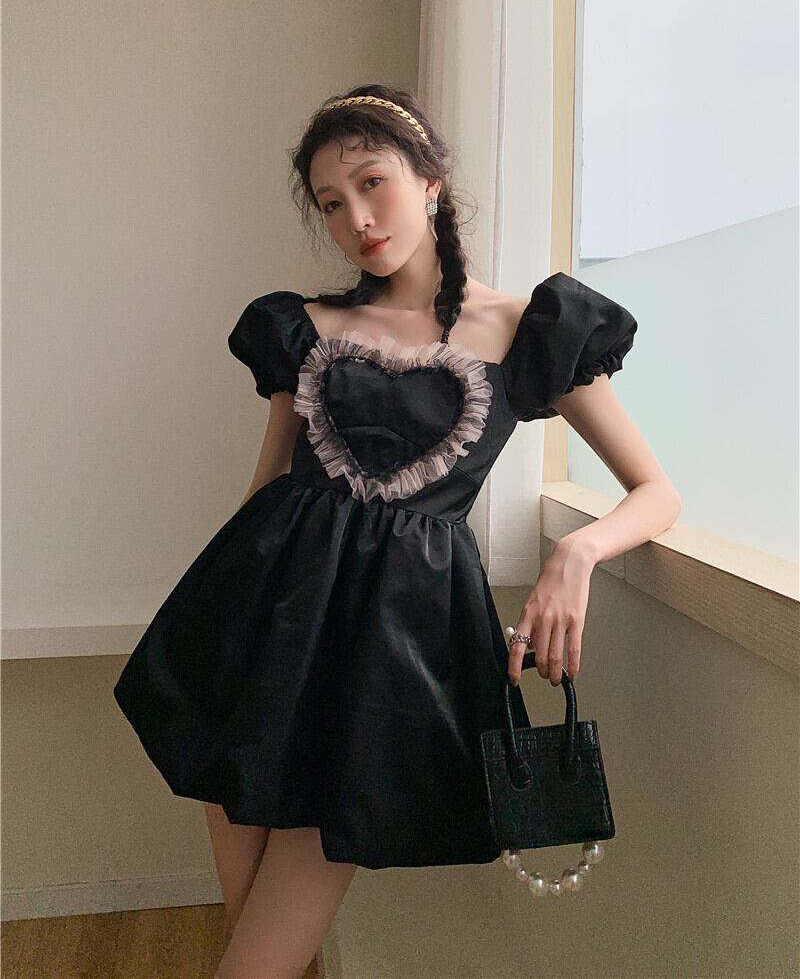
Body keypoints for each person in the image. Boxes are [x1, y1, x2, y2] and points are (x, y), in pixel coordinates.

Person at [113, 83, 681, 979]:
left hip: (382, 654)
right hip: (258, 631)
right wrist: (221, 636)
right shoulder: (303, 328)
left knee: (258, 956)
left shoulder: (530, 330)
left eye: (372, 183)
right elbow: (268, 487)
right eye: (332, 204)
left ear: (430, 182)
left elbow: (655, 492)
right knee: (256, 945)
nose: (357, 220)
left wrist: (576, 552)